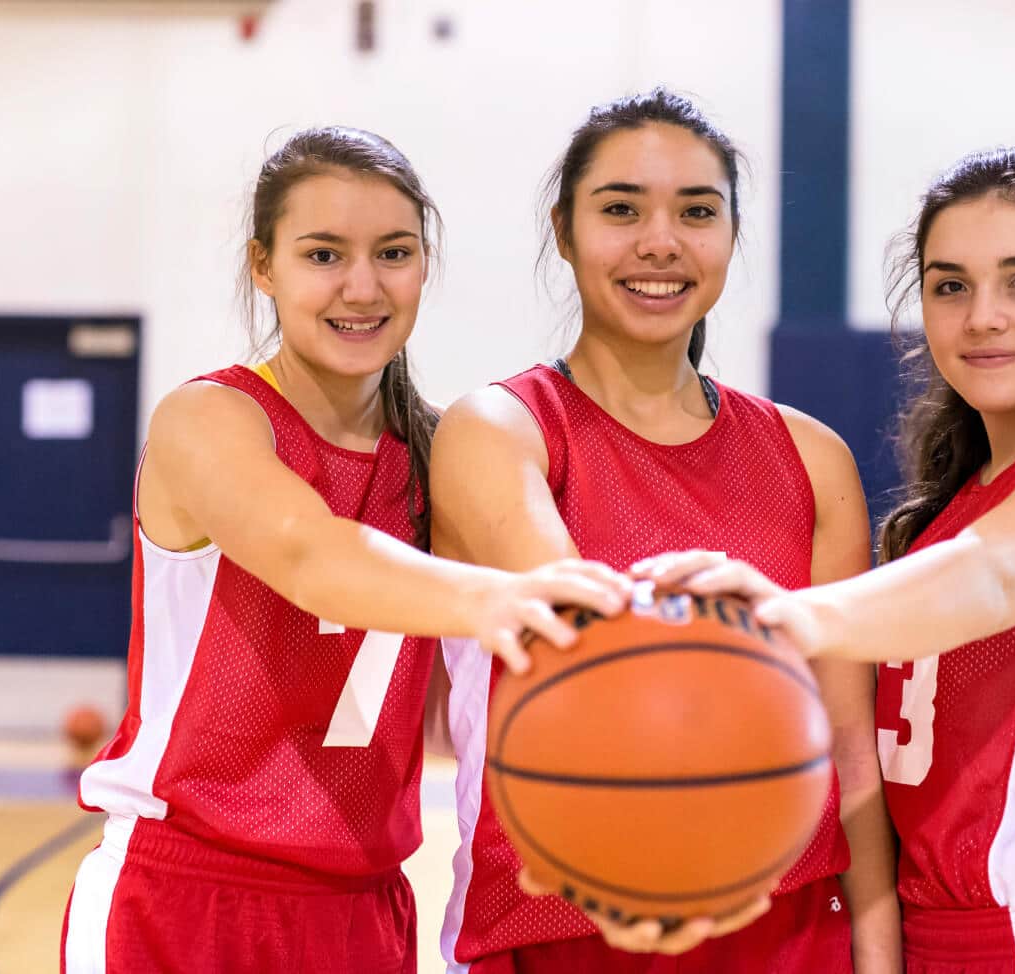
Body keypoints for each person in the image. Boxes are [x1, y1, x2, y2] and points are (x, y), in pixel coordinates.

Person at [60, 126, 630, 974]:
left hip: (363, 910)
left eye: (393, 253)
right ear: (265, 266)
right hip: (184, 895)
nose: (362, 287)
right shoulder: (212, 420)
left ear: (424, 265)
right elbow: (313, 558)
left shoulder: (443, 454)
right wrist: (504, 595)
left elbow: (449, 704)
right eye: (323, 254)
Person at [638, 146, 1015, 973]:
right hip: (943, 939)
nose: (982, 315)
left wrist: (786, 613)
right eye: (951, 286)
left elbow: (996, 573)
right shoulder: (963, 499)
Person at [430, 89, 901, 973]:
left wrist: (877, 953)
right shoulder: (499, 428)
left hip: (788, 921)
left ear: (730, 236)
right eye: (620, 210)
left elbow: (850, 748)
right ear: (563, 231)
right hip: (563, 924)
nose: (660, 242)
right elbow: (592, 667)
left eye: (697, 212)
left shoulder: (811, 457)